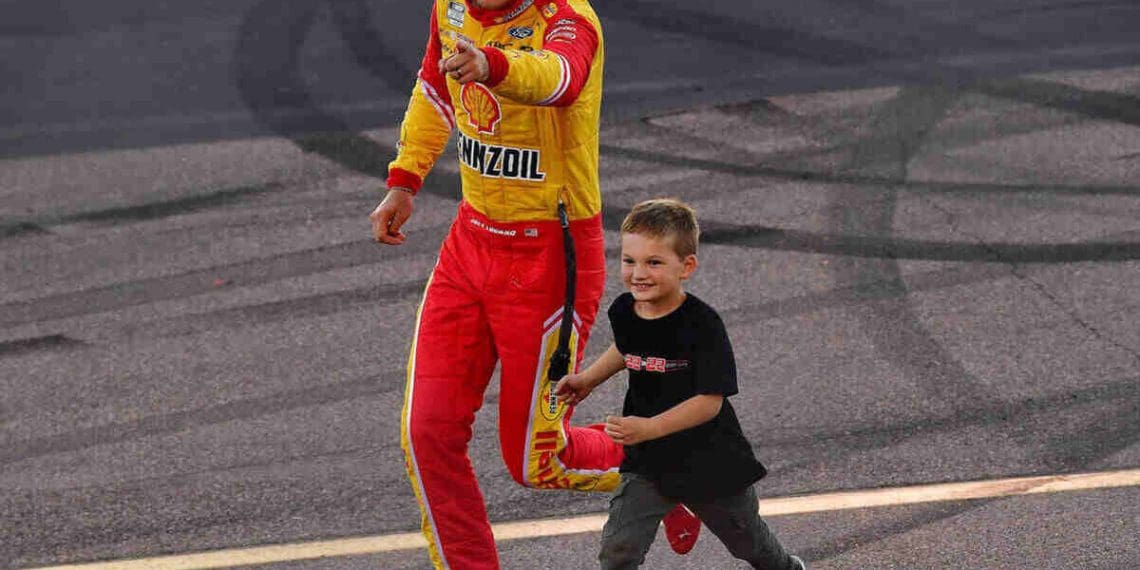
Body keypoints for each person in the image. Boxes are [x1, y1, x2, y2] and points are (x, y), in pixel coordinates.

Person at [368, 1, 697, 568]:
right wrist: (405, 178)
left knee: (539, 461)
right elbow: (435, 88)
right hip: (470, 245)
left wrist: (492, 65)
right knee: (426, 435)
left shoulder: (568, 17)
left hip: (550, 260)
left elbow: (561, 77)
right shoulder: (451, 6)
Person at [555, 198, 807, 569]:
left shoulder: (702, 325)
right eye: (629, 261)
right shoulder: (624, 309)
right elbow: (627, 348)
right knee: (619, 549)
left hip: (710, 461)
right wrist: (588, 379)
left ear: (686, 266)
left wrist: (649, 427)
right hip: (648, 461)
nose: (638, 273)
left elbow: (709, 402)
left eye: (654, 262)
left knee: (749, 543)